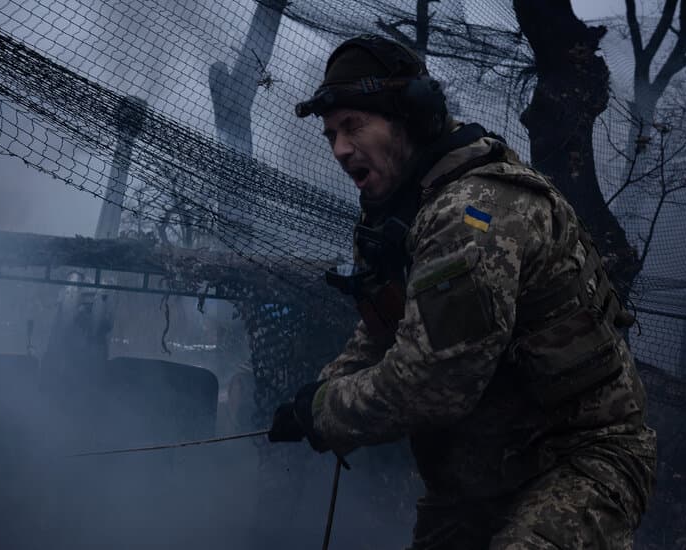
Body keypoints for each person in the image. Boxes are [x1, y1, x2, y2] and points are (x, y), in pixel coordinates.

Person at [267, 34, 657, 549]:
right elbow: (385, 326)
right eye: (331, 133)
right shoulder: (395, 214)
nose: (340, 148)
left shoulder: (471, 214)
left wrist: (326, 412)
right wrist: (320, 392)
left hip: (578, 459)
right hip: (482, 478)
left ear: (411, 118)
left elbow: (429, 385)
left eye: (354, 125)